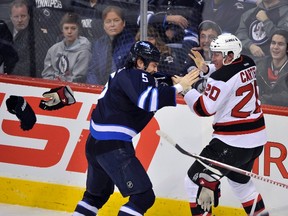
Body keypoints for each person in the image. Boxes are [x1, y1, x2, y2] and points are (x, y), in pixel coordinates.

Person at [72, 40, 200, 216]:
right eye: (153, 64)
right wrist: (180, 87)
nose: (155, 69)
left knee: (95, 197)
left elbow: (170, 80)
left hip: (95, 144)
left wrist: (202, 71)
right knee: (143, 197)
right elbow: (147, 101)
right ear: (140, 62)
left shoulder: (129, 76)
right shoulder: (135, 75)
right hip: (113, 146)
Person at [183, 33, 269, 216]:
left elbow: (204, 109)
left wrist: (186, 90)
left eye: (217, 54)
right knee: (241, 184)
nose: (212, 57)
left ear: (230, 55)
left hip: (230, 145)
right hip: (255, 142)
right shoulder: (248, 62)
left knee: (193, 182)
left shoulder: (220, 78)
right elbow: (230, 73)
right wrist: (206, 69)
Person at [86, 5, 135, 85]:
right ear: (104, 25)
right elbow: (92, 71)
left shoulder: (131, 45)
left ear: (123, 23)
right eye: (108, 21)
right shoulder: (99, 44)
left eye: (116, 20)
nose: (112, 25)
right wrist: (95, 88)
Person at [42, 12, 91, 83]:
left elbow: (78, 79)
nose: (69, 31)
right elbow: (46, 75)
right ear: (62, 30)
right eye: (66, 28)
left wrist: (60, 82)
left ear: (78, 30)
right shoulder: (53, 50)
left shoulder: (84, 51)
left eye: (73, 28)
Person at [256, 29, 288, 106]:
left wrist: (264, 99)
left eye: (280, 44)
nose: (275, 47)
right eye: (273, 43)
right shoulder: (259, 65)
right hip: (260, 110)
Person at [8, 0, 36, 77]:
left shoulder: (34, 34)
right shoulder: (4, 29)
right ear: (11, 17)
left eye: (23, 16)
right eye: (16, 16)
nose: (20, 20)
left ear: (29, 16)